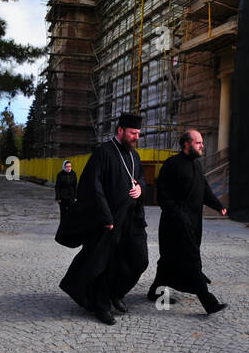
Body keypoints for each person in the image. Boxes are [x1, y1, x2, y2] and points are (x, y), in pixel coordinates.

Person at [58, 113, 149, 324]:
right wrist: (105, 216)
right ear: (120, 130)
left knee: (139, 259)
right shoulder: (103, 153)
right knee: (103, 264)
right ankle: (101, 306)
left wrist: (139, 188)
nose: (136, 137)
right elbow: (92, 187)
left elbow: (142, 178)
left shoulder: (134, 156)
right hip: (108, 220)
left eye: (138, 134)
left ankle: (115, 292)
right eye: (133, 133)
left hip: (132, 219)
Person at [147, 128, 227, 314]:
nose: (202, 146)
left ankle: (155, 292)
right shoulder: (172, 164)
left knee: (168, 261)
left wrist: (218, 206)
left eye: (201, 143)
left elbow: (204, 190)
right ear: (187, 144)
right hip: (175, 225)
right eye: (198, 142)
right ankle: (208, 301)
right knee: (192, 261)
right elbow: (164, 197)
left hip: (193, 224)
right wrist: (179, 216)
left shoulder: (197, 166)